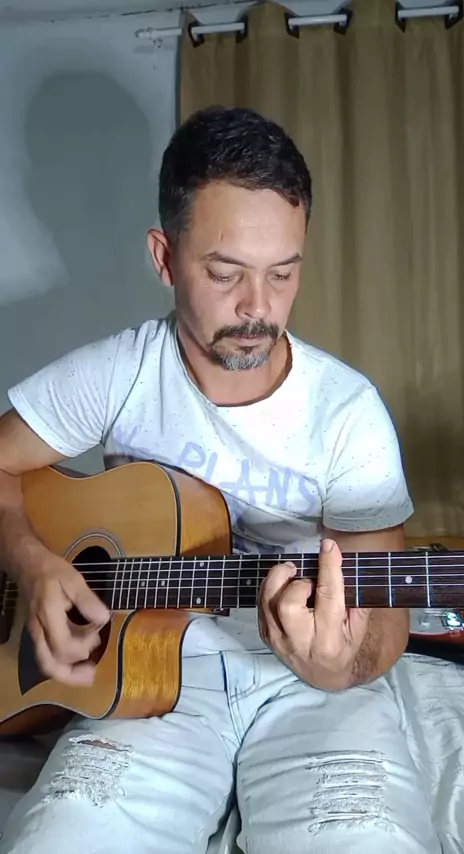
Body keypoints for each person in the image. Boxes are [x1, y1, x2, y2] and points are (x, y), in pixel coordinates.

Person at [0, 106, 440, 854]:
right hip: (146, 677)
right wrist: (31, 561)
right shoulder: (119, 372)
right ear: (165, 257)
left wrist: (344, 663)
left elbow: (387, 616)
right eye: (225, 272)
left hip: (314, 690)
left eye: (283, 273)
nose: (258, 309)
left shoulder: (347, 413)